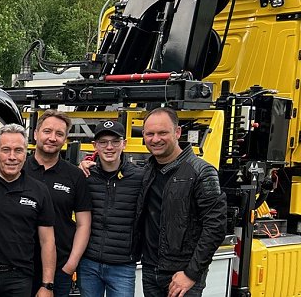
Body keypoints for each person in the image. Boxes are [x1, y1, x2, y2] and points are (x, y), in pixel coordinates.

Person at [139, 108, 227, 297]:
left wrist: (191, 273)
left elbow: (216, 227)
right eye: (150, 134)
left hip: (182, 275)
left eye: (163, 133)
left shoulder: (202, 172)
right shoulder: (146, 171)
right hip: (150, 269)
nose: (155, 139)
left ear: (177, 132)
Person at [24, 109, 91, 297]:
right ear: (36, 134)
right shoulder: (18, 169)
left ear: (65, 139)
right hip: (21, 267)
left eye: (59, 134)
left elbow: (84, 224)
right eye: (47, 131)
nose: (52, 138)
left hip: (59, 268)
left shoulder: (75, 176)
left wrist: (70, 266)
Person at [0, 124, 55, 297]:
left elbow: (47, 241)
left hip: (20, 278)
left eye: (18, 150)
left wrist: (47, 285)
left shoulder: (39, 190)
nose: (12, 157)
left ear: (25, 155)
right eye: (6, 150)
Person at [77, 120, 143, 297]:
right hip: (89, 263)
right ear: (94, 145)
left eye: (115, 141)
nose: (109, 147)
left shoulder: (140, 178)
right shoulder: (85, 176)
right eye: (103, 142)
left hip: (122, 266)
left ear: (124, 144)